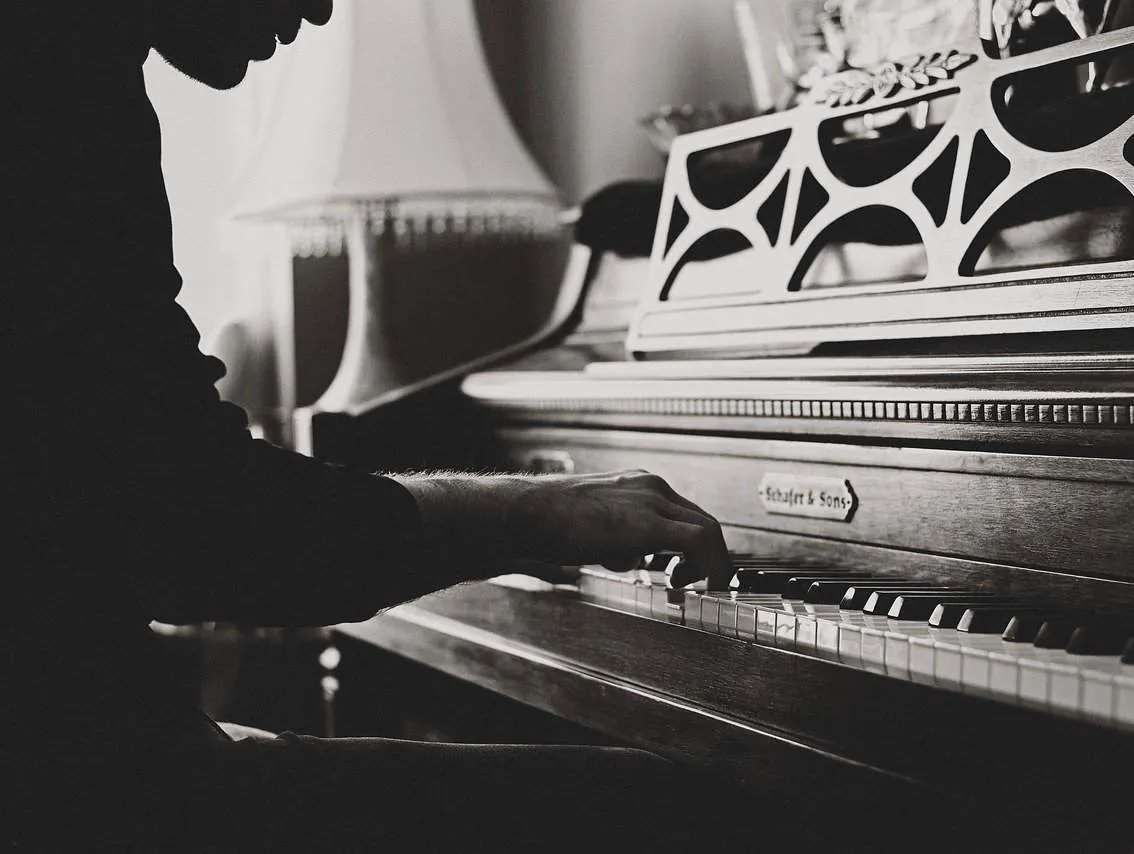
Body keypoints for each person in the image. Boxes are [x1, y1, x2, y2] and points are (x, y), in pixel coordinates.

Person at [1, 2, 732, 849]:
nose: (322, 6)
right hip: (75, 789)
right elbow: (195, 529)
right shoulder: (53, 90)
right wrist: (530, 512)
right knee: (691, 812)